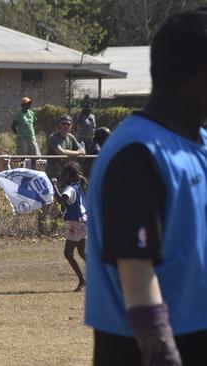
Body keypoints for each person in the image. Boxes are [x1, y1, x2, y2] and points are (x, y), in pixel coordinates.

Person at [85, 8, 207, 366]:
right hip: (147, 349)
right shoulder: (137, 153)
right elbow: (137, 278)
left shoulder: (198, 143)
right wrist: (165, 357)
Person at [51, 162, 87, 292]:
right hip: (84, 222)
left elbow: (61, 200)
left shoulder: (70, 188)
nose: (63, 177)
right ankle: (100, 272)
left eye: (64, 175)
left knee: (68, 253)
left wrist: (54, 186)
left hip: (75, 224)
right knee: (82, 252)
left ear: (70, 176)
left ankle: (82, 280)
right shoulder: (78, 187)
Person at [45, 115, 85, 182]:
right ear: (59, 125)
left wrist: (75, 153)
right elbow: (61, 152)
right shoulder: (53, 137)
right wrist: (77, 153)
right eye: (63, 123)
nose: (66, 126)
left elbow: (83, 150)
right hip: (53, 174)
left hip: (67, 173)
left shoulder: (71, 137)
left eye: (68, 124)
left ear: (71, 126)